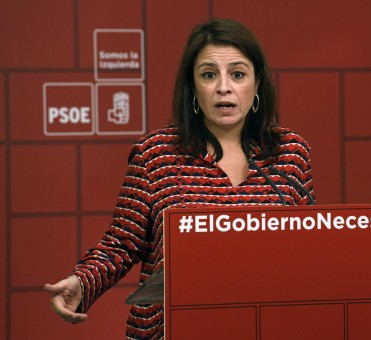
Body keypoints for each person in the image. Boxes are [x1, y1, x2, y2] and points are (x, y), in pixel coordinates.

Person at [43, 18, 314, 339]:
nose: (223, 86)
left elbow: (306, 249)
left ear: (256, 85)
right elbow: (122, 243)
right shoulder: (156, 154)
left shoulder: (288, 153)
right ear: (193, 87)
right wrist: (81, 283)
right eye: (209, 74)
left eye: (238, 74)